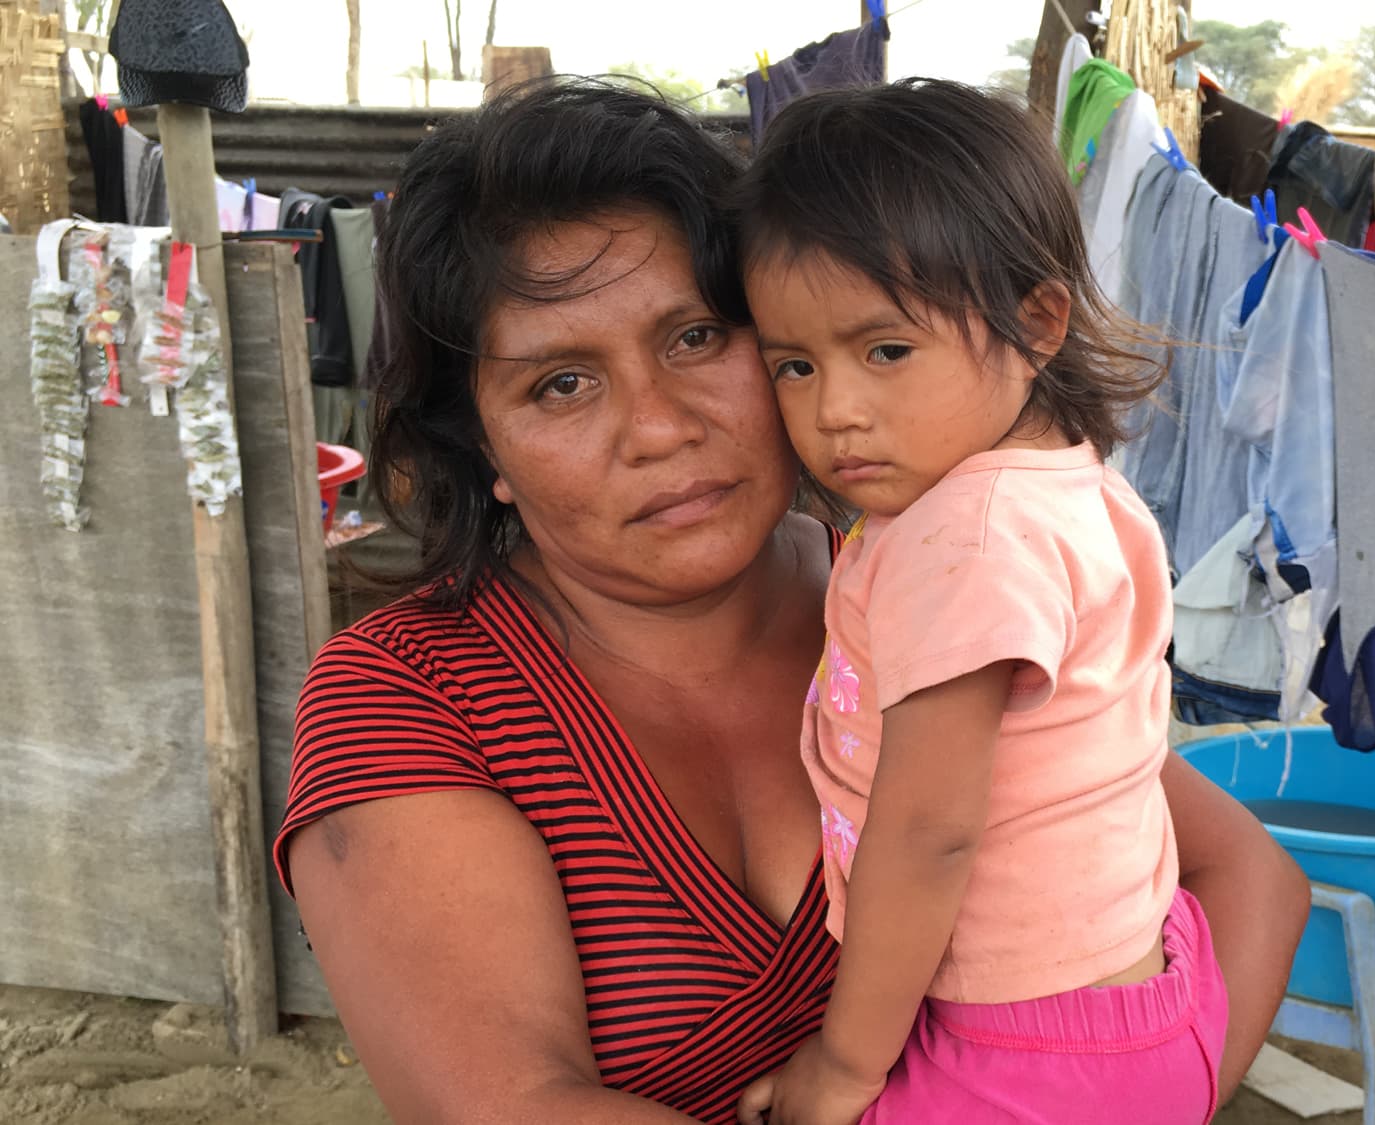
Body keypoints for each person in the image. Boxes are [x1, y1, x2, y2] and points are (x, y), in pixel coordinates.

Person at [273, 78, 1309, 1125]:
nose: (660, 426)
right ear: (484, 448)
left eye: (696, 339)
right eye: (561, 385)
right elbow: (505, 1106)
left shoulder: (920, 591)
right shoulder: (412, 697)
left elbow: (1249, 881)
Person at [732, 80, 1223, 1125]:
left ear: (1037, 320)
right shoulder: (1061, 482)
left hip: (1028, 1049)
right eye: (792, 365)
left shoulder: (967, 536)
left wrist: (848, 1066)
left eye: (886, 351)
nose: (835, 411)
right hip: (1142, 988)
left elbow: (928, 832)